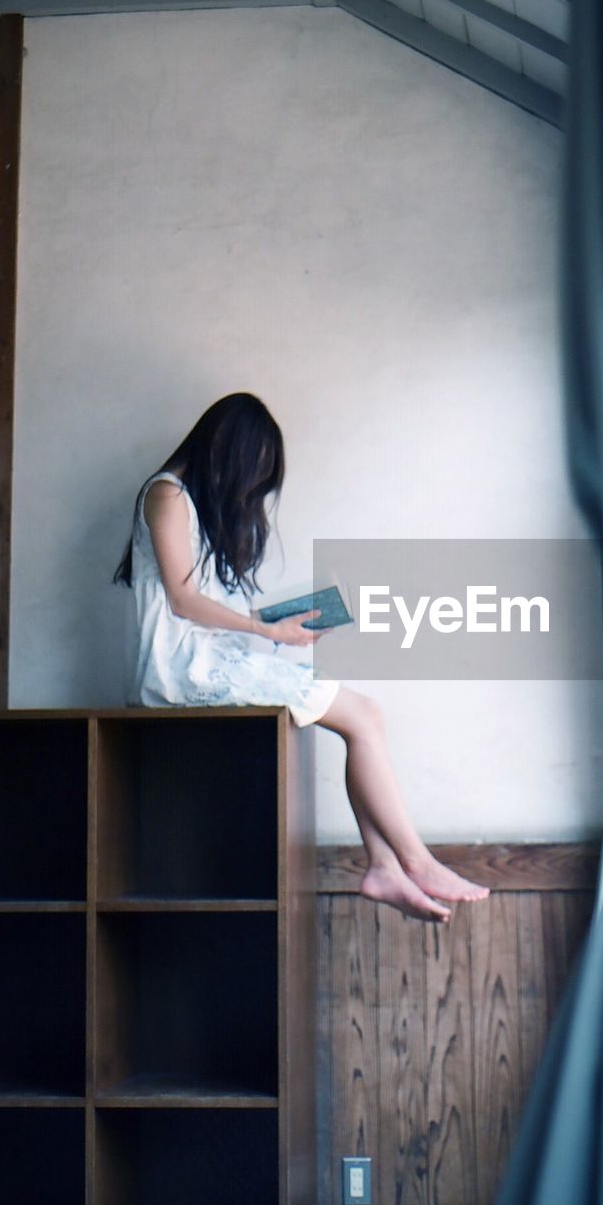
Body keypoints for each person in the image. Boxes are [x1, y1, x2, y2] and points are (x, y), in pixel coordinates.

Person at [114, 391, 488, 923]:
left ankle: (386, 863)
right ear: (224, 451)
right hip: (177, 674)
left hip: (205, 660)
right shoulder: (167, 495)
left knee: (365, 717)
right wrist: (267, 628)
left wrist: (284, 627)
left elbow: (208, 610)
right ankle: (412, 860)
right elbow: (182, 600)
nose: (247, 489)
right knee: (362, 715)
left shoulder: (187, 503)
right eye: (250, 473)